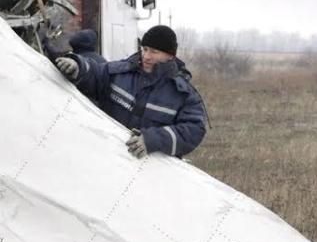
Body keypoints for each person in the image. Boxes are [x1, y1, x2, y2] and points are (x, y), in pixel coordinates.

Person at [54, 25, 208, 158]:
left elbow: (194, 129)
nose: (146, 56)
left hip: (144, 173)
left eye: (154, 52)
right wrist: (77, 66)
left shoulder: (183, 94)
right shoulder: (121, 72)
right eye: (144, 49)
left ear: (170, 56)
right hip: (103, 156)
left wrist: (153, 140)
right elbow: (96, 74)